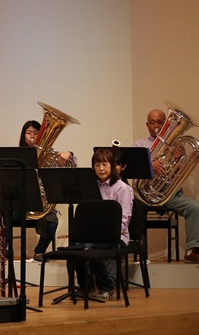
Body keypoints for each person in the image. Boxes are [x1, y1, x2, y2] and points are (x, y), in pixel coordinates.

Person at [134, 109, 199, 264]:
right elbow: (133, 169)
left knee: (194, 207)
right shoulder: (139, 145)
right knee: (127, 205)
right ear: (147, 125)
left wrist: (179, 160)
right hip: (144, 195)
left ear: (166, 125)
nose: (156, 125)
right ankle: (127, 247)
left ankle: (192, 251)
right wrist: (150, 165)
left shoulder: (176, 145)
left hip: (168, 194)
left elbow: (182, 173)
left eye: (160, 122)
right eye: (152, 122)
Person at [71, 148, 134, 301]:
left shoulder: (123, 188)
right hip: (95, 236)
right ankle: (86, 287)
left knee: (89, 247)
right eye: (97, 165)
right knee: (76, 246)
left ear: (112, 165)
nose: (101, 168)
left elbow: (124, 219)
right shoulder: (93, 187)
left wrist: (104, 233)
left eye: (105, 164)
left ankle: (106, 287)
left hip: (117, 237)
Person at [19, 119, 76, 262]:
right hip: (21, 203)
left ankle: (39, 251)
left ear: (41, 135)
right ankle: (5, 250)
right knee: (5, 214)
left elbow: (70, 168)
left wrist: (69, 154)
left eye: (36, 133)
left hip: (41, 205)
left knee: (52, 223)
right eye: (28, 133)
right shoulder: (17, 156)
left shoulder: (49, 154)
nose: (32, 136)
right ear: (23, 135)